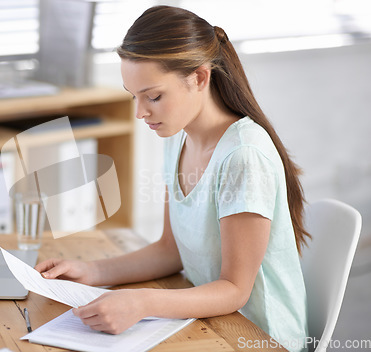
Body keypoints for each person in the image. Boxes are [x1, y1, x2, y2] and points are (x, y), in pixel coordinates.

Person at [35, 5, 310, 352]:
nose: (140, 113)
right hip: (207, 319)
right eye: (133, 96)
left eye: (153, 96)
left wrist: (142, 303)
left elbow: (235, 289)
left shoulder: (243, 156)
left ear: (199, 77)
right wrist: (92, 272)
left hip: (258, 335)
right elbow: (170, 250)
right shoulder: (178, 137)